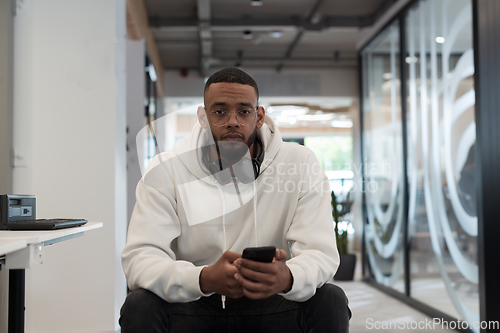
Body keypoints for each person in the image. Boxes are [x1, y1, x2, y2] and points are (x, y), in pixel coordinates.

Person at [120, 68, 351, 332]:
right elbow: (140, 259)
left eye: (244, 111)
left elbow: (320, 253)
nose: (232, 121)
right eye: (219, 112)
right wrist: (203, 279)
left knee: (330, 298)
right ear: (203, 118)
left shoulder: (299, 163)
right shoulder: (165, 169)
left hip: (271, 303)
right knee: (139, 303)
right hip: (195, 301)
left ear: (259, 116)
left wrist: (288, 277)